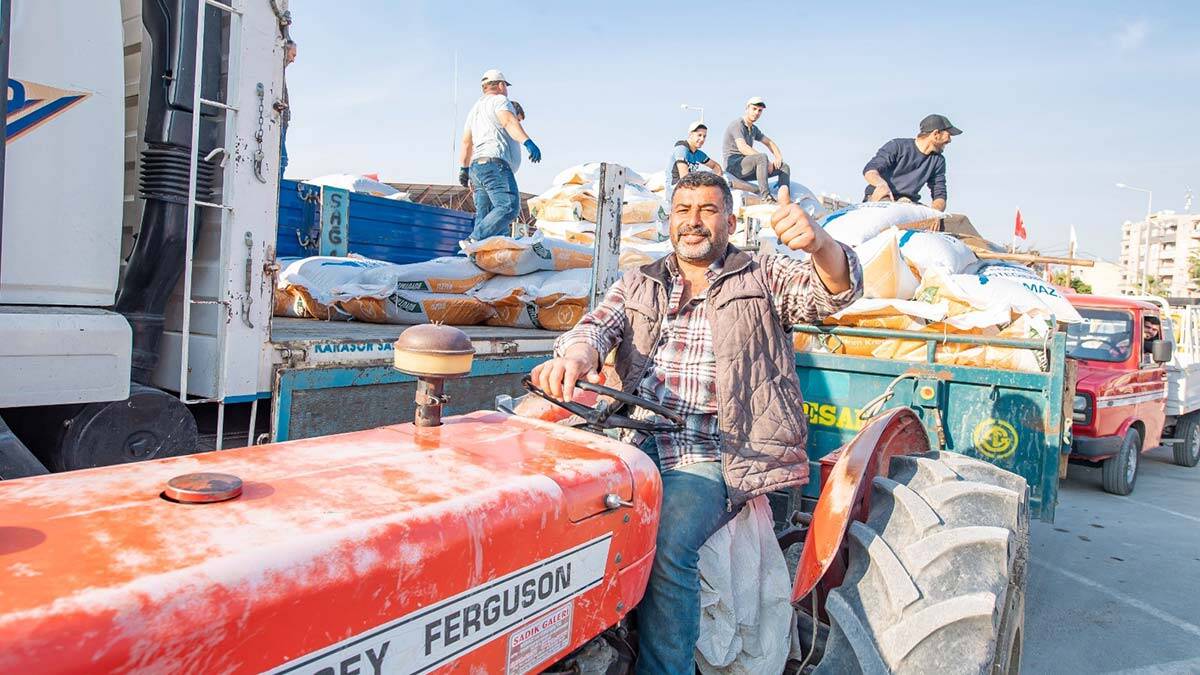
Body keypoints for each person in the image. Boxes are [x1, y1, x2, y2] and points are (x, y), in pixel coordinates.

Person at [530, 171, 862, 673]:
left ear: (729, 221)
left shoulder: (761, 277)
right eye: (684, 210)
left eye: (707, 210)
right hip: (633, 441)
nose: (694, 221)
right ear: (670, 220)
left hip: (716, 452)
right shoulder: (640, 281)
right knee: (546, 507)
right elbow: (594, 329)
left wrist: (820, 245)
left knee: (665, 540)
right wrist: (574, 359)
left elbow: (833, 292)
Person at [457, 69, 542, 241]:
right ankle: (473, 240)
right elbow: (508, 121)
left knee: (486, 215)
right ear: (501, 85)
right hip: (494, 166)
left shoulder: (474, 110)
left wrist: (464, 169)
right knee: (509, 206)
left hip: (477, 168)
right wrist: (528, 142)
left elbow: (466, 142)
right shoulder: (500, 100)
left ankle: (476, 255)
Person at [862, 114, 961, 212]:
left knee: (953, 222)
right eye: (948, 135)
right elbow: (870, 170)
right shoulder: (897, 146)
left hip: (908, 203)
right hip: (884, 198)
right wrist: (881, 184)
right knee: (893, 210)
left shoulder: (938, 160)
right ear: (936, 134)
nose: (950, 140)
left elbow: (939, 194)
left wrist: (936, 214)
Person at [722, 97, 790, 203]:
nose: (757, 112)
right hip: (734, 167)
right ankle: (766, 196)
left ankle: (783, 198)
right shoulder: (737, 125)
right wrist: (766, 162)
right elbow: (743, 147)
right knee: (762, 157)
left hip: (747, 167)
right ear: (747, 108)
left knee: (783, 167)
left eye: (760, 110)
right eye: (754, 109)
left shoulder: (754, 129)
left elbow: (769, 143)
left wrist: (778, 157)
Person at [665, 121, 723, 199]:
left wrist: (714, 180)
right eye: (699, 135)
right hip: (676, 192)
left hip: (689, 191)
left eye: (704, 136)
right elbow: (684, 177)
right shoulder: (681, 148)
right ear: (691, 134)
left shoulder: (698, 154)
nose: (702, 139)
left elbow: (716, 166)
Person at [278, 39, 296, 178]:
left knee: (283, 159)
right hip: (279, 123)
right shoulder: (277, 73)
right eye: (293, 55)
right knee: (282, 159)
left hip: (282, 123)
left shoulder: (280, 74)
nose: (293, 59)